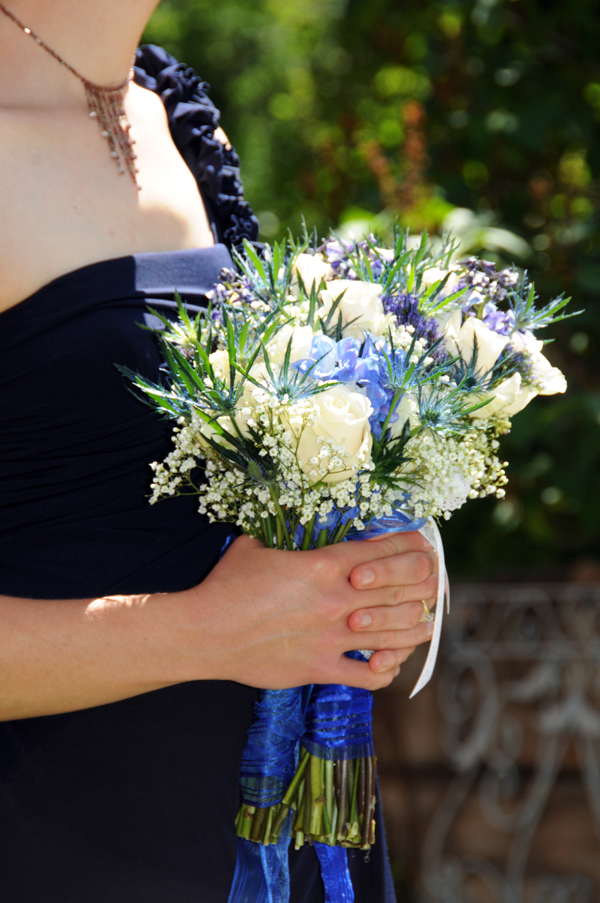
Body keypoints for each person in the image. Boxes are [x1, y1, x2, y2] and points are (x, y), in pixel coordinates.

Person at [0, 2, 438, 900]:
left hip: (288, 835)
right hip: (66, 843)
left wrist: (363, 574)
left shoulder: (170, 110)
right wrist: (211, 629)